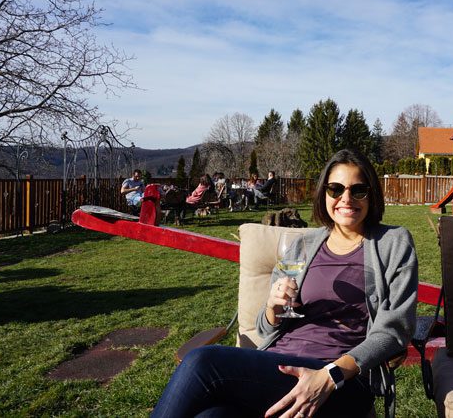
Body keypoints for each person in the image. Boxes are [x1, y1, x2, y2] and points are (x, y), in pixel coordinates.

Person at [151, 149, 418, 417]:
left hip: (342, 380)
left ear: (372, 194)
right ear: (324, 194)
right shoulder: (304, 245)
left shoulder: (393, 242)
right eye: (335, 189)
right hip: (276, 366)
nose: (345, 198)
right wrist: (272, 308)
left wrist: (329, 375)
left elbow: (394, 330)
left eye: (358, 190)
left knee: (202, 361)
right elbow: (266, 330)